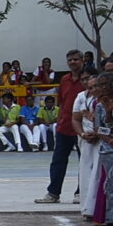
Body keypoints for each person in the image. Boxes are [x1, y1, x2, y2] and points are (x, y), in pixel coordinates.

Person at [37, 49, 87, 204]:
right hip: (64, 126)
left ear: (82, 60)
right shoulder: (64, 79)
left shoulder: (88, 79)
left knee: (84, 161)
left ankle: (81, 192)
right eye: (70, 60)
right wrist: (59, 121)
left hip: (83, 127)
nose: (72, 62)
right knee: (58, 161)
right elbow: (62, 102)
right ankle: (53, 193)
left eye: (76, 59)